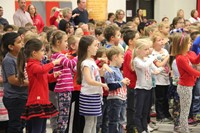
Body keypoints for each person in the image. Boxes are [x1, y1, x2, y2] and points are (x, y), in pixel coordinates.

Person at [18, 38, 61, 133]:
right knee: (37, 129)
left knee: (42, 129)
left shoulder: (39, 64)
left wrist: (54, 75)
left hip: (43, 99)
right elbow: (41, 70)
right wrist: (54, 63)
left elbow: (46, 78)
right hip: (36, 101)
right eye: (42, 50)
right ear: (34, 53)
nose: (44, 53)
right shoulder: (31, 65)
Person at [76, 36, 109, 133]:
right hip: (88, 96)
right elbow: (89, 80)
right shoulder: (85, 63)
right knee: (89, 122)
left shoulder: (92, 61)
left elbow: (98, 74)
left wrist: (104, 67)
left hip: (95, 94)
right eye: (95, 45)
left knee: (94, 122)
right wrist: (102, 85)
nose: (97, 48)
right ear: (88, 48)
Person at [171, 33, 200, 133]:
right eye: (188, 43)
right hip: (184, 87)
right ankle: (184, 130)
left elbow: (195, 61)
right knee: (185, 110)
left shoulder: (186, 55)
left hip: (188, 86)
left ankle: (185, 128)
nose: (190, 44)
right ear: (182, 45)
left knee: (185, 109)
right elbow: (191, 71)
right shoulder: (180, 58)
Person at [133, 38, 162, 133]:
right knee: (139, 112)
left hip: (149, 88)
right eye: (145, 49)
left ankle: (145, 129)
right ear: (138, 50)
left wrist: (160, 69)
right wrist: (152, 58)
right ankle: (140, 130)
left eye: (148, 49)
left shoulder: (147, 59)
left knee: (146, 111)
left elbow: (154, 69)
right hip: (140, 89)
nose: (147, 51)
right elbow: (144, 66)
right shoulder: (136, 60)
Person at [50, 30, 77, 133]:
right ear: (58, 42)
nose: (67, 43)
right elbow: (70, 64)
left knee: (64, 115)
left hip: (65, 89)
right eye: (65, 41)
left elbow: (71, 68)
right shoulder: (59, 56)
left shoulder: (60, 55)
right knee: (63, 116)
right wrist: (78, 56)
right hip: (63, 89)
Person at [2, 32, 28, 133]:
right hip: (14, 98)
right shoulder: (8, 60)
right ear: (11, 46)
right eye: (19, 42)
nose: (22, 44)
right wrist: (29, 83)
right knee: (15, 125)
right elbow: (12, 80)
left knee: (21, 124)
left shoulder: (19, 56)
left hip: (22, 96)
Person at [104, 46, 129, 133]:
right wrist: (122, 82)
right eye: (122, 57)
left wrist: (124, 82)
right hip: (114, 99)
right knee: (114, 121)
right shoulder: (109, 70)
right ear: (115, 57)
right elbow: (111, 86)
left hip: (121, 98)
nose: (123, 60)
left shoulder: (117, 70)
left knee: (121, 121)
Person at [123, 30, 139, 133]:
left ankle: (133, 125)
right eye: (137, 39)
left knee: (133, 106)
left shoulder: (133, 52)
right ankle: (130, 127)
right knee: (131, 107)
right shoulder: (129, 53)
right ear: (130, 41)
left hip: (134, 83)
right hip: (131, 83)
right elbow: (132, 68)